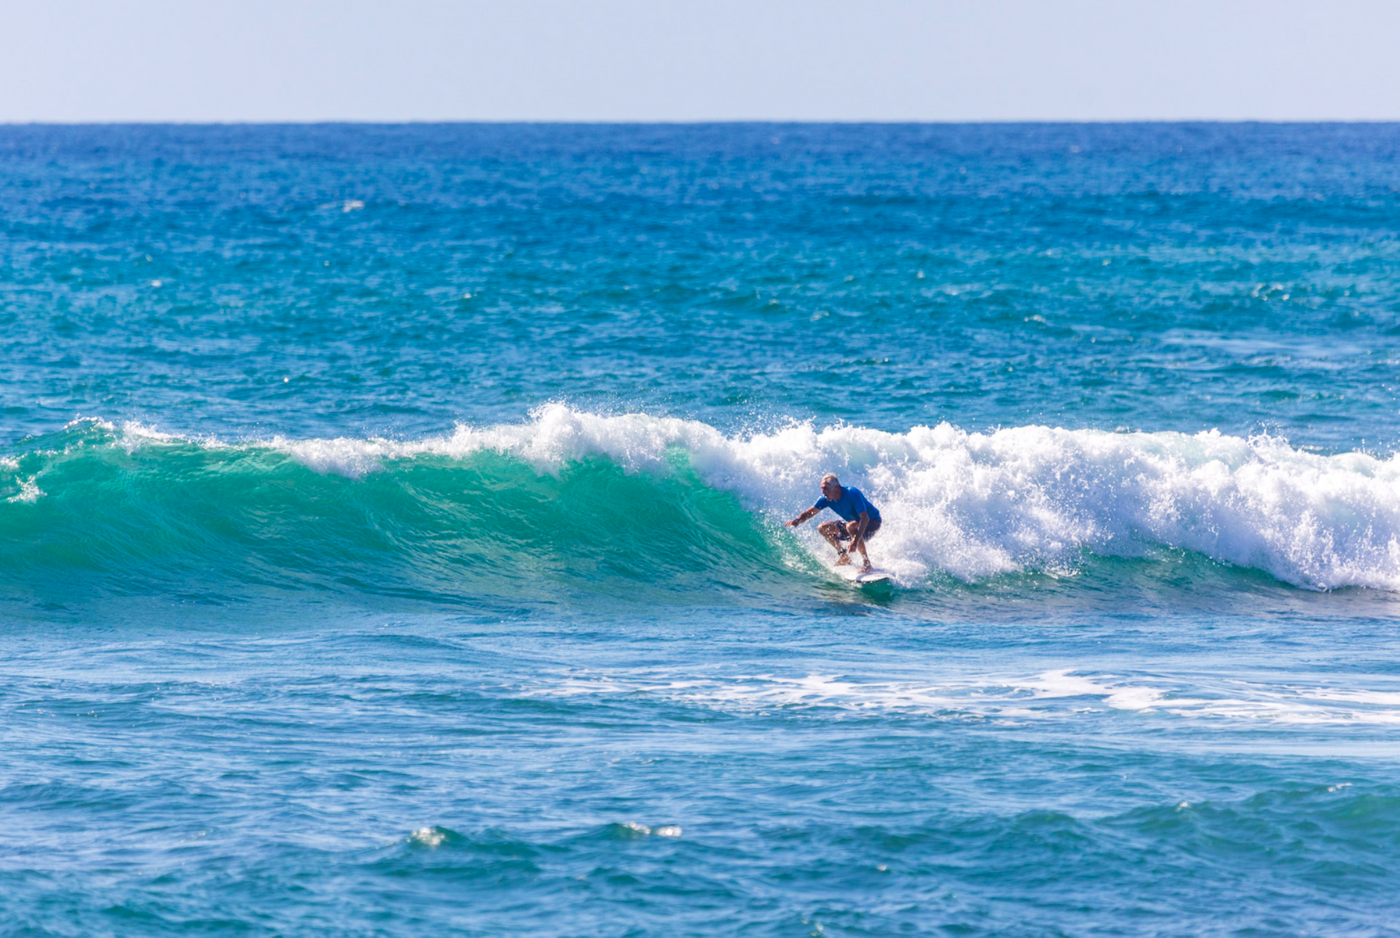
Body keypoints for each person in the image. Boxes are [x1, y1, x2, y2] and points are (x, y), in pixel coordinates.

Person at [785, 473, 882, 573]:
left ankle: (867, 563)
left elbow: (865, 518)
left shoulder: (852, 493)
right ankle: (844, 556)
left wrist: (855, 541)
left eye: (825, 488)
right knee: (822, 528)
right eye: (822, 488)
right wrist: (798, 520)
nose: (823, 492)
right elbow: (810, 513)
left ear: (836, 488)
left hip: (872, 522)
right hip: (852, 526)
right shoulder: (826, 500)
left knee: (850, 526)